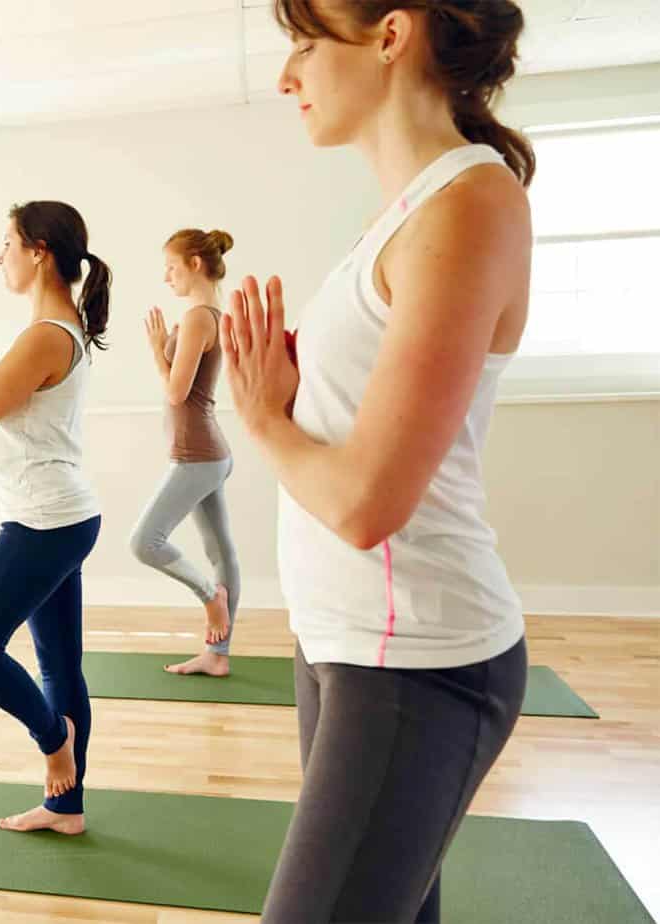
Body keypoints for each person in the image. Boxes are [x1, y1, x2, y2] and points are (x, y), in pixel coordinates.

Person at [220, 1, 536, 919]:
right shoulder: (403, 217)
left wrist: (262, 417)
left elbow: (366, 503)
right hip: (341, 643)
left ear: (390, 37)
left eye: (304, 46)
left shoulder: (471, 204)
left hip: (419, 663)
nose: (287, 78)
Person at [0, 200, 110, 835]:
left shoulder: (45, 335)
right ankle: (67, 809)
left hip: (43, 522)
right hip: (61, 517)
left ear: (39, 250)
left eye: (6, 243)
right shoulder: (61, 329)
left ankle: (52, 739)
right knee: (59, 667)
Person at [132, 228, 242, 677]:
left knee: (144, 542)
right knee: (221, 552)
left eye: (171, 267)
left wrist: (158, 353)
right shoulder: (205, 314)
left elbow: (177, 392)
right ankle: (217, 655)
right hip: (204, 453)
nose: (166, 277)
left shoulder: (199, 317)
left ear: (195, 264)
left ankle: (210, 597)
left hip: (197, 455)